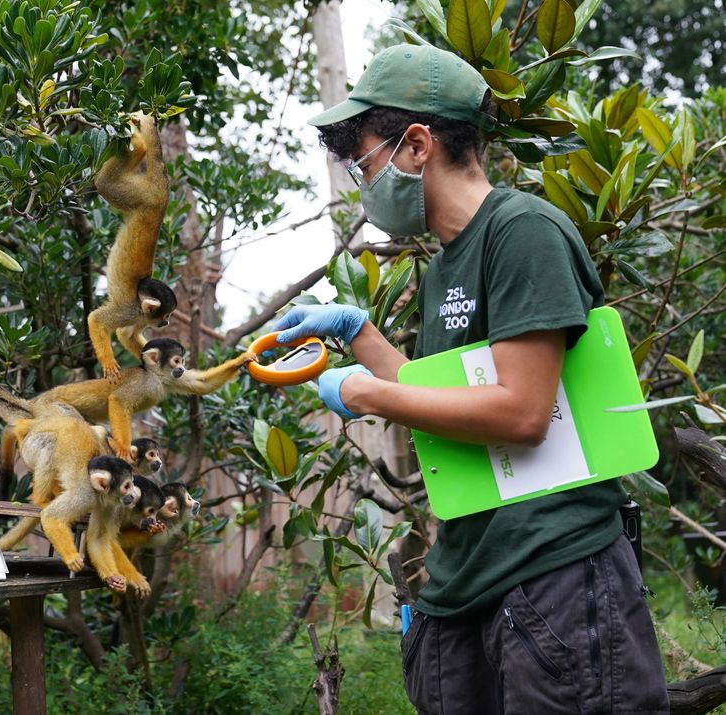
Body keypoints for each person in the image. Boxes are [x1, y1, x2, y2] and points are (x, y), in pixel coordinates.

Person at [272, 43, 668, 713]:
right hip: (472, 576)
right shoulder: (448, 262)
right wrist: (359, 337)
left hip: (553, 571)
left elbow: (520, 411)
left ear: (418, 145)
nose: (361, 182)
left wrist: (367, 395)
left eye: (362, 160)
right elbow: (450, 400)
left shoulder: (524, 232)